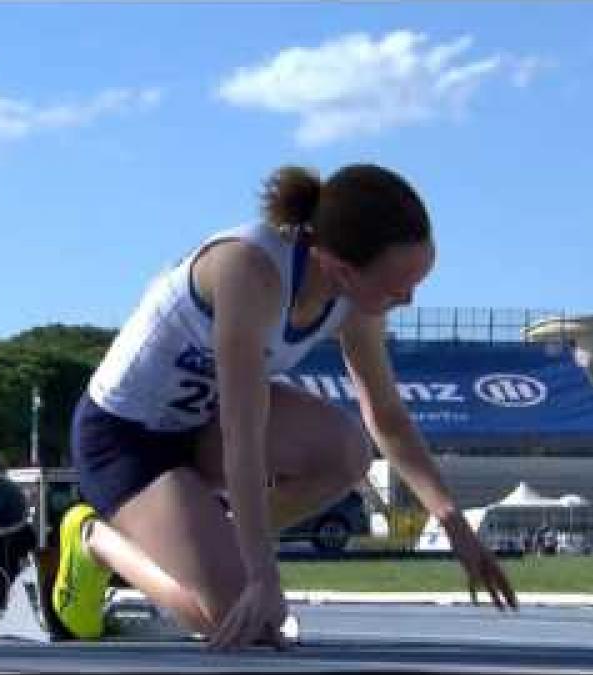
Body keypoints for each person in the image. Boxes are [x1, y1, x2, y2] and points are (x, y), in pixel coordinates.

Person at [52, 164, 518, 650]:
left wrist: (453, 524)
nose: (408, 298)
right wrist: (260, 574)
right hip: (126, 442)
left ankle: (208, 547)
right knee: (244, 625)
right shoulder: (248, 271)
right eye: (398, 285)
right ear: (339, 268)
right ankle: (94, 540)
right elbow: (243, 435)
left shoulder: (354, 301)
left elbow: (387, 416)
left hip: (200, 429)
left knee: (348, 453)